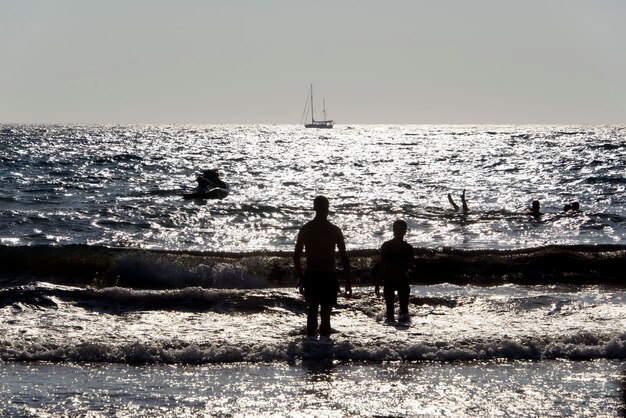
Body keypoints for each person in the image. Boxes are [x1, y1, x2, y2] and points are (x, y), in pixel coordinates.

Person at [293, 196, 351, 337]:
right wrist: (348, 282)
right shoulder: (334, 230)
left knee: (312, 311)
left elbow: (296, 257)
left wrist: (302, 277)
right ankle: (324, 351)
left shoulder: (306, 229)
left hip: (312, 275)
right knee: (326, 316)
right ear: (328, 209)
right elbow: (344, 256)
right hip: (328, 275)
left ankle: (311, 349)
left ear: (314, 208)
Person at [375, 220, 414, 323]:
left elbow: (410, 265)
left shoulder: (408, 248)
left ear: (405, 231)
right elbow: (382, 264)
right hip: (388, 280)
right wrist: (377, 282)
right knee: (389, 314)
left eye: (401, 229)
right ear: (393, 231)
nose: (398, 231)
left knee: (404, 312)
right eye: (396, 229)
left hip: (403, 281)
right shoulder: (386, 246)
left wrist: (405, 268)